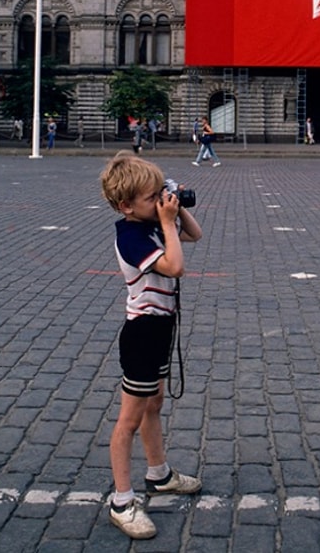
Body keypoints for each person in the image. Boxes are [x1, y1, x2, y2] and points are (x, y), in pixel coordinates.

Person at [100, 153, 203, 540]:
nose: (160, 201)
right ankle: (122, 501)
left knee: (154, 403)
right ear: (126, 205)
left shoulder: (152, 223)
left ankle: (158, 474)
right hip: (142, 332)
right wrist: (165, 221)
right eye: (152, 197)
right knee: (129, 418)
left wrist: (174, 211)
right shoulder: (131, 236)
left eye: (162, 193)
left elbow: (194, 235)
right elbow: (176, 267)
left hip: (161, 329)